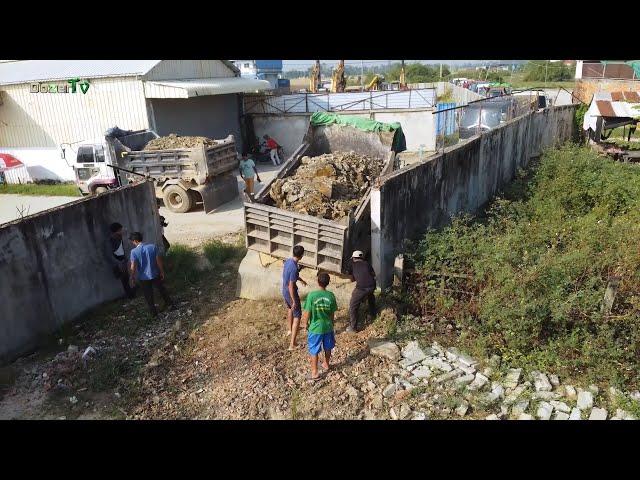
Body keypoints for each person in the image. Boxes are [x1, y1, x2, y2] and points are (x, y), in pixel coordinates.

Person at [129, 231, 175, 317]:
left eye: (132, 241)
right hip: (155, 274)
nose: (133, 243)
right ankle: (170, 305)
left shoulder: (134, 252)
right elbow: (159, 261)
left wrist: (132, 277)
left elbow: (133, 266)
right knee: (162, 290)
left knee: (148, 295)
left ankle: (153, 313)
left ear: (135, 241)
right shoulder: (152, 247)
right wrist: (162, 271)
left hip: (143, 278)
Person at [302, 272, 338, 381]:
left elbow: (307, 312)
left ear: (318, 281)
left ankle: (314, 372)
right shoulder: (331, 295)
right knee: (327, 346)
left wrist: (305, 324)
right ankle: (326, 364)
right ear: (328, 283)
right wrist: (331, 323)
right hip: (328, 326)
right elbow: (332, 313)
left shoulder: (312, 295)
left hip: (315, 328)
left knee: (314, 349)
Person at [282, 245, 308, 350]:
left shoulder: (288, 261)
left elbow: (292, 276)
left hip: (284, 290)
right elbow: (291, 286)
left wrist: (301, 280)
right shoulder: (294, 268)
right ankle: (292, 344)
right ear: (302, 256)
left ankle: (290, 330)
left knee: (290, 309)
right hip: (290, 292)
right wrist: (294, 301)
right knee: (298, 315)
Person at [346, 250, 376, 333]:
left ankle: (353, 328)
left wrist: (355, 277)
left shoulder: (352, 264)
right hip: (372, 286)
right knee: (371, 296)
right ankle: (373, 314)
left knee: (353, 305)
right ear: (361, 257)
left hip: (361, 288)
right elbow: (373, 274)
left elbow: (352, 279)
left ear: (354, 258)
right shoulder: (367, 264)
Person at [105, 222, 136, 299]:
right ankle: (130, 296)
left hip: (122, 261)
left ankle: (131, 294)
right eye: (120, 230)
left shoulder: (119, 237)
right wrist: (118, 263)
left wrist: (125, 258)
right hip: (118, 263)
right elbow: (109, 254)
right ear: (117, 230)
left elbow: (121, 250)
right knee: (124, 279)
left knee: (126, 277)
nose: (122, 231)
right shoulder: (111, 240)